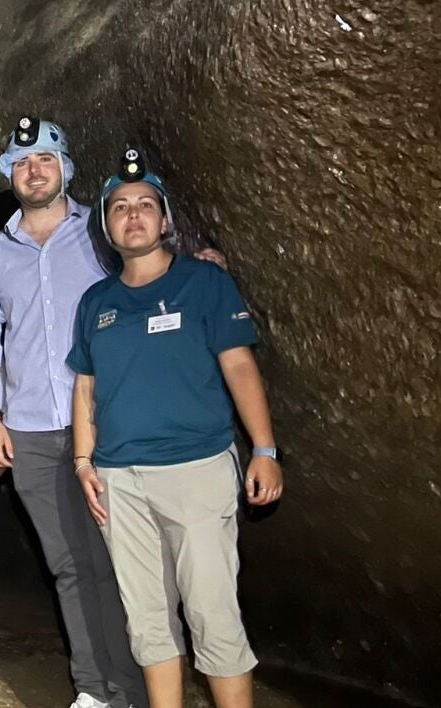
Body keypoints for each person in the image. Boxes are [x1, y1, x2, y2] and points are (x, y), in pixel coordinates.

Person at [69, 150, 283, 708]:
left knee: (213, 613)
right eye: (120, 207)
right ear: (107, 227)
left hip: (197, 468)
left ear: (165, 220)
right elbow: (86, 387)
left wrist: (264, 449)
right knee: (147, 618)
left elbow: (239, 365)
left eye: (145, 204)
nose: (133, 215)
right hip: (120, 479)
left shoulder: (204, 282)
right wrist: (84, 461)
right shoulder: (95, 303)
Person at [0, 118, 147, 708]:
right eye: (22, 162)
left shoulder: (102, 231)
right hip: (30, 431)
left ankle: (135, 688)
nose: (34, 170)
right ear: (8, 175)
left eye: (45, 158)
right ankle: (93, 688)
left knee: (120, 560)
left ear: (65, 167)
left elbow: (150, 273)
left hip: (108, 422)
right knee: (69, 565)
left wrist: (200, 259)